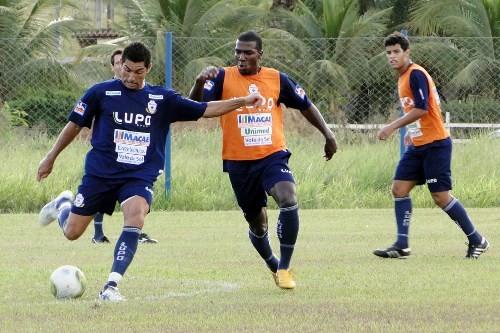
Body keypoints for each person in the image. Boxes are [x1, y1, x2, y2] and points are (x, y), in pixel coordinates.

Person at [37, 41, 265, 302]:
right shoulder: (99, 93)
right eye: (127, 70)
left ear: (149, 69)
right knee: (72, 233)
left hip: (138, 175)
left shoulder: (162, 99)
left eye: (138, 71)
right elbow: (74, 126)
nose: (131, 77)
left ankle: (111, 287)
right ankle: (63, 204)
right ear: (120, 66)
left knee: (136, 215)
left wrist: (244, 101)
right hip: (101, 173)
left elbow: (205, 110)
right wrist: (50, 157)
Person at [188, 31, 337, 289]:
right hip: (238, 162)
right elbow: (193, 108)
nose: (241, 57)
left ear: (260, 54)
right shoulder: (222, 77)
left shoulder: (277, 79)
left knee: (288, 198)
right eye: (238, 52)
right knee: (257, 224)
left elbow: (306, 105)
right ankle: (273, 264)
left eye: (248, 52)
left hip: (272, 155)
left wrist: (328, 134)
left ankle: (285, 267)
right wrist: (200, 81)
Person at [374, 32, 489, 259]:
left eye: (397, 51)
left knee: (441, 197)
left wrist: (393, 127)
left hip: (436, 144)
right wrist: (412, 132)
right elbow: (416, 111)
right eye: (388, 53)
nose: (392, 56)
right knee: (399, 188)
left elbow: (422, 108)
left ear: (407, 52)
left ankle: (477, 240)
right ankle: (401, 245)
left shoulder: (415, 74)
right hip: (419, 144)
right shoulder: (403, 77)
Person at [92, 49, 157, 245]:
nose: (123, 67)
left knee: (134, 195)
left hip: (133, 156)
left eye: (125, 62)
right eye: (119, 63)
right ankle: (98, 233)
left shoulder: (143, 92)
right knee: (100, 195)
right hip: (109, 155)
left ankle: (133, 232)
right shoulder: (105, 92)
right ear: (114, 67)